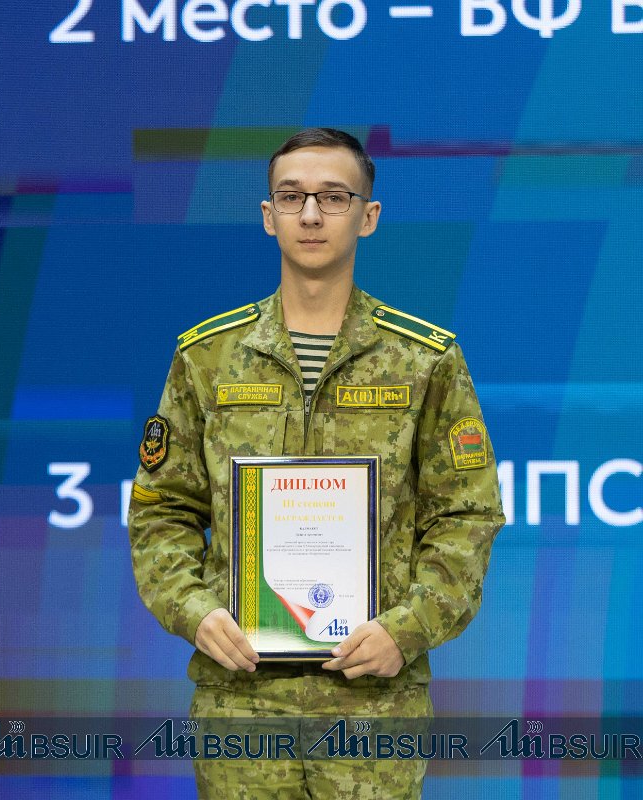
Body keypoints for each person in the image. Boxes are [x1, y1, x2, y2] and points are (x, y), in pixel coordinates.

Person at [127, 128, 504, 798]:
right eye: (291, 197)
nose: (309, 214)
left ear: (368, 215)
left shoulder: (424, 360)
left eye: (333, 197)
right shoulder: (206, 358)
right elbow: (161, 511)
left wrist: (408, 629)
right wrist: (195, 610)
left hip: (374, 709)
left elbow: (467, 517)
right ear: (267, 215)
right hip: (241, 706)